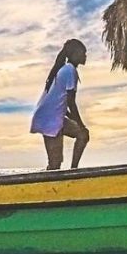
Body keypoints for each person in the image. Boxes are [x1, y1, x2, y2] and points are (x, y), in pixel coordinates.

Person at [31, 38, 89, 170]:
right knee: (55, 163)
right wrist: (80, 124)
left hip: (54, 117)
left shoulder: (66, 69)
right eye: (83, 52)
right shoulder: (69, 70)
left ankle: (74, 171)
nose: (85, 56)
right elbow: (71, 103)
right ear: (74, 54)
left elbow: (62, 103)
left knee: (82, 135)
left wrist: (76, 122)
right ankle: (58, 181)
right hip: (49, 119)